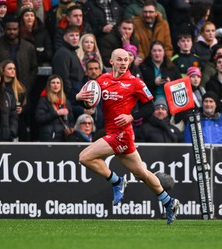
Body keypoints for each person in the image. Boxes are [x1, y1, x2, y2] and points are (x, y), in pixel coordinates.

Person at [75, 48, 180, 225]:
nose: (124, 63)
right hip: (112, 132)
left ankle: (117, 181)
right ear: (111, 62)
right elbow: (89, 102)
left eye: (126, 60)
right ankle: (169, 202)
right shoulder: (102, 80)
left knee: (84, 157)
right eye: (120, 60)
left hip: (122, 134)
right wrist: (79, 97)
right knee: (142, 174)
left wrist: (131, 117)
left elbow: (150, 107)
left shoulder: (135, 82)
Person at [0, 16, 38, 97]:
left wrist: (28, 84)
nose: (12, 32)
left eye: (15, 29)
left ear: (19, 29)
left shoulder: (28, 47)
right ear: (4, 29)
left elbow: (34, 68)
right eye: (9, 29)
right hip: (0, 89)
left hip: (22, 89)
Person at [35, 74, 74, 142]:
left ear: (61, 85)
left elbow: (71, 119)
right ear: (49, 85)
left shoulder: (65, 101)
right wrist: (56, 113)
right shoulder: (44, 100)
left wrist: (70, 128)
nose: (56, 85)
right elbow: (39, 118)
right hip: (49, 137)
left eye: (58, 83)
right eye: (53, 83)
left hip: (63, 136)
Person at [51, 25, 85, 103]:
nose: (75, 38)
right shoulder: (62, 53)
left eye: (77, 35)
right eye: (71, 35)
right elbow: (63, 77)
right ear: (65, 37)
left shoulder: (72, 52)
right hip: (70, 96)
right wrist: (71, 94)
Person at [0, 59, 29, 141]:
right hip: (4, 122)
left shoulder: (20, 87)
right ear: (3, 71)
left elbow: (28, 105)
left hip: (19, 122)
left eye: (14, 69)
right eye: (10, 69)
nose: (13, 71)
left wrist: (22, 109)